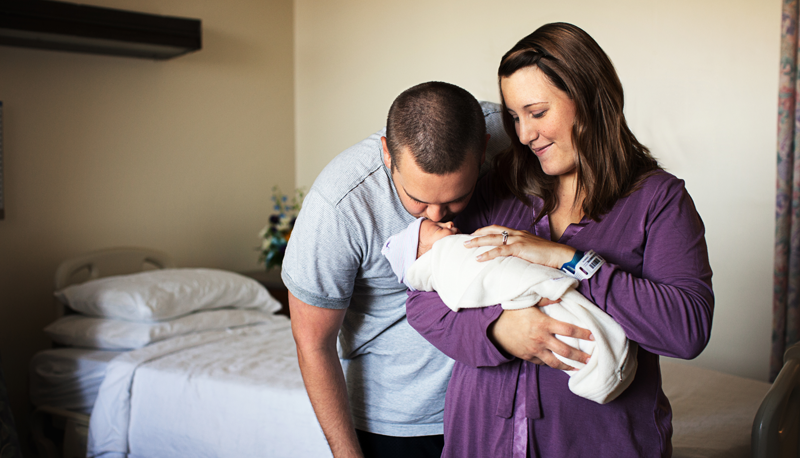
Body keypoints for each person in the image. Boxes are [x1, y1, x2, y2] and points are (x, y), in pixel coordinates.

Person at [406, 23, 714, 457]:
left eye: (536, 112)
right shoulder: (500, 187)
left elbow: (687, 329)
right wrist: (497, 331)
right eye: (514, 118)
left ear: (586, 98)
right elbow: (422, 296)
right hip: (482, 440)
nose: (525, 134)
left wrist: (568, 261)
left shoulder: (658, 200)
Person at [281, 81, 521, 458]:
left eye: (457, 197)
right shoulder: (340, 205)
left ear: (484, 151)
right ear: (387, 155)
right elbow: (313, 343)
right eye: (418, 199)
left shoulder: (511, 135)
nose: (439, 216)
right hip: (399, 425)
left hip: (498, 408)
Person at [382, 217, 637, 405]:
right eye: (438, 228)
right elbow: (483, 276)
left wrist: (564, 258)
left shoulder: (658, 196)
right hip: (487, 409)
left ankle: (604, 361)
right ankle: (602, 364)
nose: (449, 223)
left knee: (576, 324)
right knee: (572, 332)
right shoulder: (449, 253)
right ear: (421, 254)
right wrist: (503, 324)